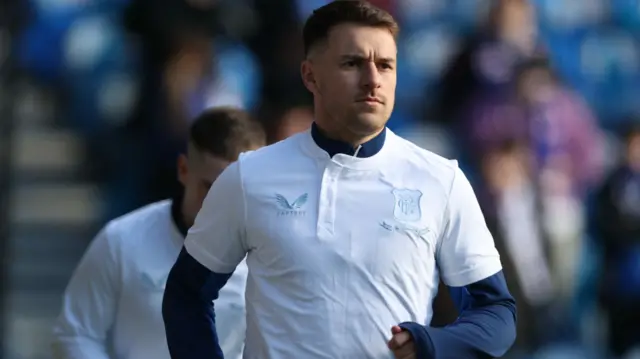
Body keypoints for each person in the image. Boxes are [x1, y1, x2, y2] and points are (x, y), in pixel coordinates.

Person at [162, 2, 517, 358]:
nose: (373, 79)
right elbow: (186, 294)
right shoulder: (248, 176)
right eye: (352, 63)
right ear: (310, 76)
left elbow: (497, 315)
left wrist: (431, 344)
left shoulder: (441, 180)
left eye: (385, 65)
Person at [52, 107, 266, 359]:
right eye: (209, 188)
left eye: (235, 191)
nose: (221, 206)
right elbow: (75, 333)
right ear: (183, 170)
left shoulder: (274, 254)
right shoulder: (122, 240)